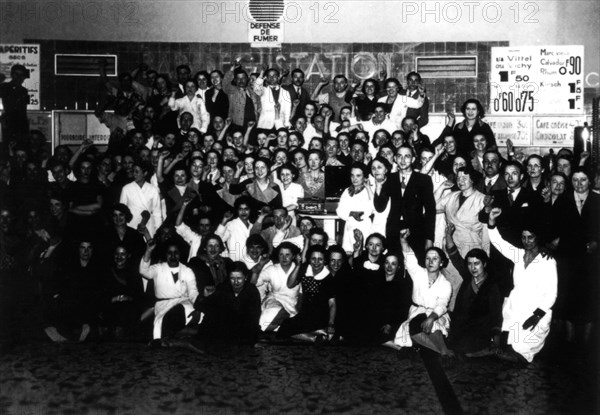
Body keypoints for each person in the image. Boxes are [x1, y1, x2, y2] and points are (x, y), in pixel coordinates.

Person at [487, 207, 557, 363]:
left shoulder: (548, 261)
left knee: (524, 350)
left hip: (537, 309)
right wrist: (491, 222)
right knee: (511, 343)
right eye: (523, 237)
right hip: (516, 306)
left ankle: (523, 354)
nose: (526, 241)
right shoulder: (518, 255)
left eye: (530, 237)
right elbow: (498, 242)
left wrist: (537, 315)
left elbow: (552, 292)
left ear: (537, 237)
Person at [394, 229, 454, 359]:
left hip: (436, 314)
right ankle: (442, 351)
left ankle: (432, 348)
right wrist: (403, 240)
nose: (430, 262)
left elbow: (442, 304)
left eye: (435, 259)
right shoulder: (418, 273)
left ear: (441, 262)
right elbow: (409, 256)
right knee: (414, 328)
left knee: (435, 330)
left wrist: (431, 318)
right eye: (428, 258)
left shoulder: (446, 284)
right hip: (417, 312)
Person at [444, 224, 503, 355]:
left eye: (477, 263)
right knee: (451, 345)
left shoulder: (491, 285)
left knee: (465, 349)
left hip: (481, 327)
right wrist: (448, 235)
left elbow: (496, 313)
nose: (473, 268)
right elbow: (454, 255)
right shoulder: (467, 276)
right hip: (463, 324)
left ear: (484, 264)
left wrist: (496, 338)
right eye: (470, 264)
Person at [374, 145, 435, 259]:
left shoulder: (423, 180)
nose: (402, 160)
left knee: (418, 265)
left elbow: (430, 211)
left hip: (416, 230)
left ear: (412, 159)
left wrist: (429, 238)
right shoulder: (390, 178)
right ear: (395, 159)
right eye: (399, 156)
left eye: (407, 156)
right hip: (393, 230)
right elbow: (380, 207)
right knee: (395, 265)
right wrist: (378, 186)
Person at [139, 239, 199, 340]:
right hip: (164, 306)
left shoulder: (187, 271)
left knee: (184, 312)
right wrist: (148, 251)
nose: (173, 256)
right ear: (165, 255)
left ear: (180, 254)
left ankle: (178, 335)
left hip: (182, 304)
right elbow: (143, 271)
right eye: (169, 253)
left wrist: (197, 306)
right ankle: (179, 335)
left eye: (176, 253)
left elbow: (193, 292)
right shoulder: (158, 268)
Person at [278, 245, 336, 343]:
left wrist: (331, 323)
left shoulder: (328, 278)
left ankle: (314, 336)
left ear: (325, 260)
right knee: (285, 326)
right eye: (313, 259)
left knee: (286, 330)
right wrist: (298, 265)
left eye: (320, 259)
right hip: (305, 313)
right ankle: (316, 335)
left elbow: (332, 303)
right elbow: (290, 284)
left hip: (321, 315)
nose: (316, 262)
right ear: (309, 259)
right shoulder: (305, 268)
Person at [194, 262, 261, 345]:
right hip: (225, 328)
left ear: (246, 277)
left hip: (244, 329)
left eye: (239, 278)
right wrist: (204, 296)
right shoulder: (224, 288)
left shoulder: (252, 291)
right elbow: (204, 305)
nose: (236, 282)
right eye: (232, 278)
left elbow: (254, 317)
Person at [255, 242, 302, 332]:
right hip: (274, 300)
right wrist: (260, 265)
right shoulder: (272, 269)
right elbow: (256, 281)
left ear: (293, 256)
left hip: (291, 303)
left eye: (287, 254)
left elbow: (301, 293)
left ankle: (279, 328)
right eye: (281, 254)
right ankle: (280, 326)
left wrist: (299, 310)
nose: (284, 258)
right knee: (274, 311)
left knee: (296, 323)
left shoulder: (298, 269)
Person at [336, 163, 374, 254]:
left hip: (364, 227)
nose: (354, 178)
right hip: (349, 227)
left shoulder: (369, 190)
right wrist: (351, 213)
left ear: (364, 177)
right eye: (352, 175)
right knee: (349, 254)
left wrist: (368, 188)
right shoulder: (347, 191)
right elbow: (339, 210)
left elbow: (372, 208)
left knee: (363, 254)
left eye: (358, 175)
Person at [119, 160, 163, 238]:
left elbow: (157, 213)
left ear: (145, 173)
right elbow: (122, 211)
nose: (134, 174)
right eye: (133, 171)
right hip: (131, 225)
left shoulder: (152, 189)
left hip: (148, 226)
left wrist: (158, 231)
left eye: (137, 172)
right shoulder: (126, 188)